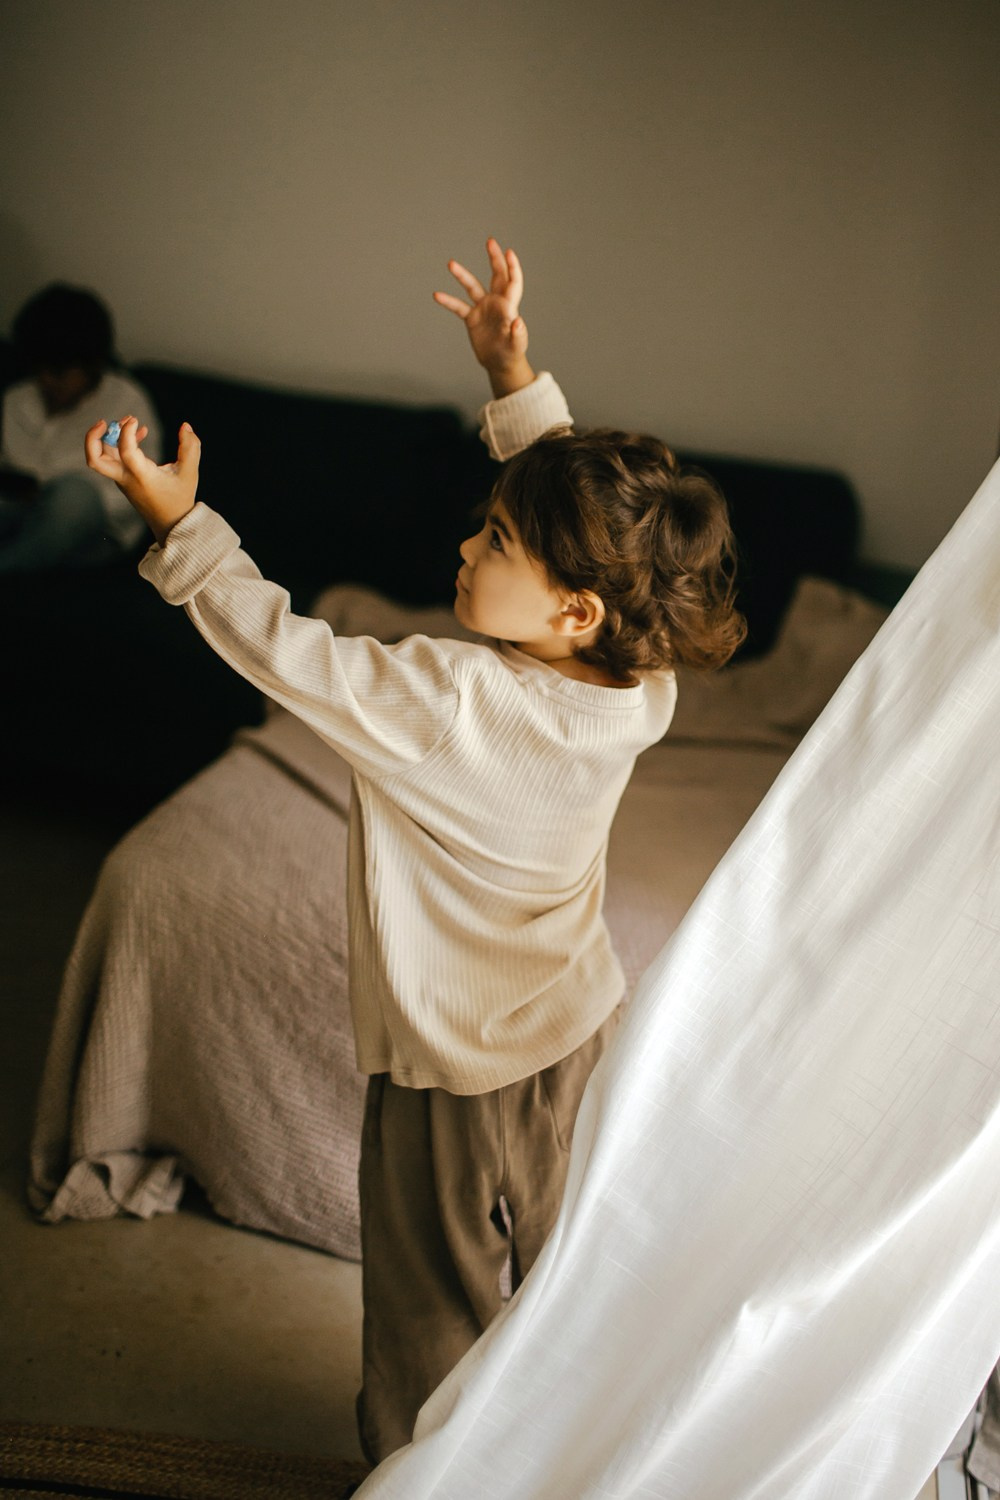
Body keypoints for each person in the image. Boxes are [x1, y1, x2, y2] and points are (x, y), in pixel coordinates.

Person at [84, 238, 746, 1466]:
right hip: (578, 1037)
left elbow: (286, 651)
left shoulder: (443, 698)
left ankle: (419, 1473)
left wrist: (183, 525)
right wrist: (515, 382)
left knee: (428, 1312)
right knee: (565, 1284)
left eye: (495, 542)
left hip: (452, 1072)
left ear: (573, 610)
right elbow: (585, 531)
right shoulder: (642, 689)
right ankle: (571, 1456)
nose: (466, 548)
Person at [0, 283, 161, 571]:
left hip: (94, 528)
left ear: (92, 364)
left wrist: (52, 497)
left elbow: (141, 488)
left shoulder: (125, 401)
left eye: (59, 372)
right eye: (40, 368)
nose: (47, 380)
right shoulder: (18, 398)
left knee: (73, 498)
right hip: (21, 512)